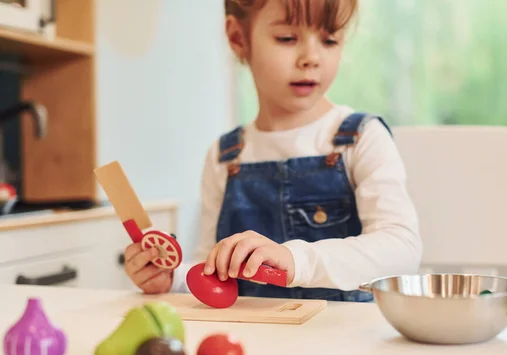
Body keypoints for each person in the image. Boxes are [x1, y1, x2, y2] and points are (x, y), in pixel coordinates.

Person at [123, 0, 423, 302]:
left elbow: (401, 249)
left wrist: (296, 260)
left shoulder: (360, 138)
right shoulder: (224, 156)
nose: (311, 57)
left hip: (346, 340)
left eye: (329, 39)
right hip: (258, 341)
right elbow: (211, 267)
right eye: (287, 38)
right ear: (239, 38)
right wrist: (171, 278)